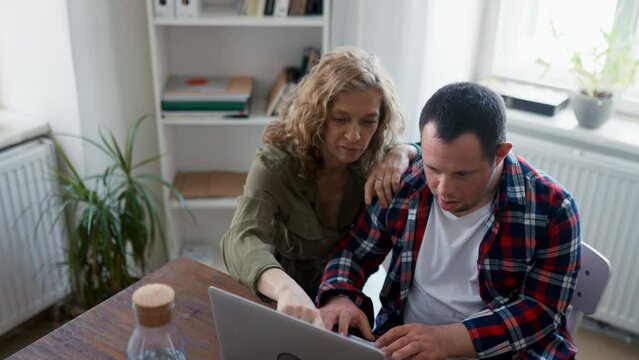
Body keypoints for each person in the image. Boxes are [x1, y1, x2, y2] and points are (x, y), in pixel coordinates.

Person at [316, 82, 581, 359]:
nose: (443, 189)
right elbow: (354, 252)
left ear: (500, 153)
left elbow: (541, 310)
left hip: (501, 351)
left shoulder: (552, 208)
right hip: (404, 342)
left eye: (463, 174)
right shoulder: (406, 182)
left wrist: (450, 339)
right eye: (433, 168)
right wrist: (340, 296)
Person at [221, 47, 419, 328]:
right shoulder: (276, 164)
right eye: (340, 119)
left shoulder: (378, 159)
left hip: (344, 300)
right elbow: (241, 239)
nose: (355, 136)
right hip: (281, 299)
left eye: (368, 121)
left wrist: (405, 150)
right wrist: (286, 289)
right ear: (317, 114)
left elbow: (434, 155)